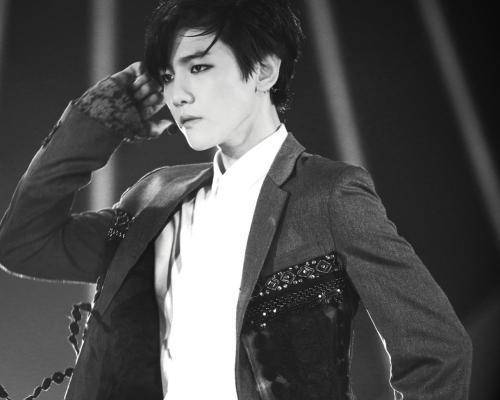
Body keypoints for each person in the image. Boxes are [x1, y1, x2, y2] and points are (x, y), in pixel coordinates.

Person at [0, 0, 472, 399]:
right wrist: (100, 117)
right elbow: (23, 243)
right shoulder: (153, 198)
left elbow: (437, 350)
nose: (178, 95)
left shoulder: (328, 194)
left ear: (264, 70)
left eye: (199, 67)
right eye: (166, 76)